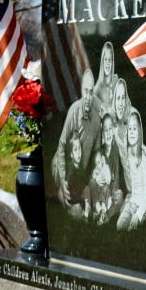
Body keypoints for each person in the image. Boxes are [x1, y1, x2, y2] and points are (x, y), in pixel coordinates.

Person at [52, 69, 102, 209]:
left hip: (82, 171)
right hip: (67, 167)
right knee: (67, 202)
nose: (88, 96)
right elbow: (61, 145)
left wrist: (100, 165)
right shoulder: (73, 111)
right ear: (81, 91)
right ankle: (61, 193)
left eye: (91, 92)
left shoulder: (97, 120)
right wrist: (62, 179)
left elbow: (97, 150)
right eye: (86, 91)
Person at [117, 108, 146, 232]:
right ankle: (136, 214)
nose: (132, 132)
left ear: (139, 132)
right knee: (119, 227)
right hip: (133, 201)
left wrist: (138, 215)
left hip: (143, 203)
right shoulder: (128, 154)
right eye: (129, 129)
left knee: (132, 228)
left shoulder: (142, 157)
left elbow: (145, 195)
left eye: (135, 129)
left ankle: (145, 216)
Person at [93, 41, 118, 115]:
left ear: (112, 62)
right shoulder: (100, 84)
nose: (107, 63)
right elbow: (91, 96)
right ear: (102, 62)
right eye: (105, 59)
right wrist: (101, 105)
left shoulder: (116, 80)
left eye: (110, 60)